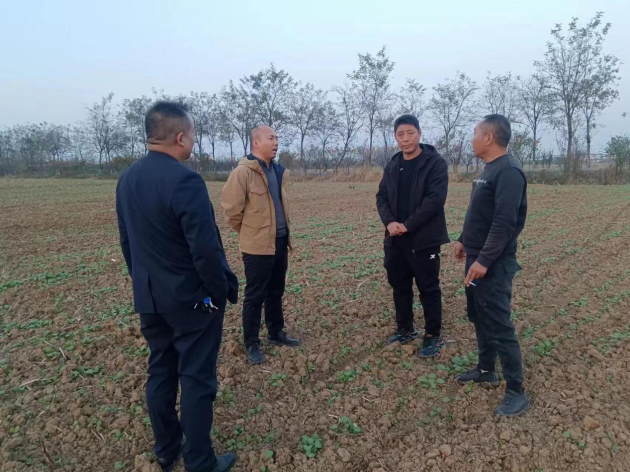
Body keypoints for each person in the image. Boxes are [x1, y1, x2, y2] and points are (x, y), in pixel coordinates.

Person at [116, 101, 238, 472]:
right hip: (191, 302)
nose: (194, 142)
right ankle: (200, 461)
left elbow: (127, 242)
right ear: (181, 137)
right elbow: (205, 249)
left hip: (150, 299)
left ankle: (167, 449)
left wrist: (143, 284)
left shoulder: (127, 179)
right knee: (197, 379)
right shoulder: (186, 180)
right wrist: (217, 293)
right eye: (194, 135)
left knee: (161, 372)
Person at [453, 114, 530, 417]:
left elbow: (504, 222)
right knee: (480, 316)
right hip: (476, 257)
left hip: (493, 264)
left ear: (488, 137)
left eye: (475, 132)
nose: (472, 138)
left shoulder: (508, 171)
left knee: (499, 323)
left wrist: (484, 260)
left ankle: (516, 392)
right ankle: (486, 370)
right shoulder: (489, 169)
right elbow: (480, 213)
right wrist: (463, 239)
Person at [221, 125, 299, 365]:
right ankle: (252, 342)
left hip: (280, 241)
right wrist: (250, 233)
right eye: (271, 138)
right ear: (256, 142)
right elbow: (231, 212)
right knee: (254, 296)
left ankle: (276, 332)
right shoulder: (243, 173)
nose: (276, 142)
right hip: (257, 246)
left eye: (276, 138)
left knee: (276, 291)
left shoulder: (277, 170)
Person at [376, 114, 450, 358]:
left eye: (410, 133)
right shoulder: (393, 164)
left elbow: (435, 200)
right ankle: (405, 328)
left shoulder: (434, 163)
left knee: (428, 287)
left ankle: (432, 335)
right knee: (400, 286)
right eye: (400, 134)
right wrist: (390, 222)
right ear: (395, 137)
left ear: (419, 133)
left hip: (424, 239)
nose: (405, 139)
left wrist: (407, 225)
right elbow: (382, 197)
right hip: (395, 238)